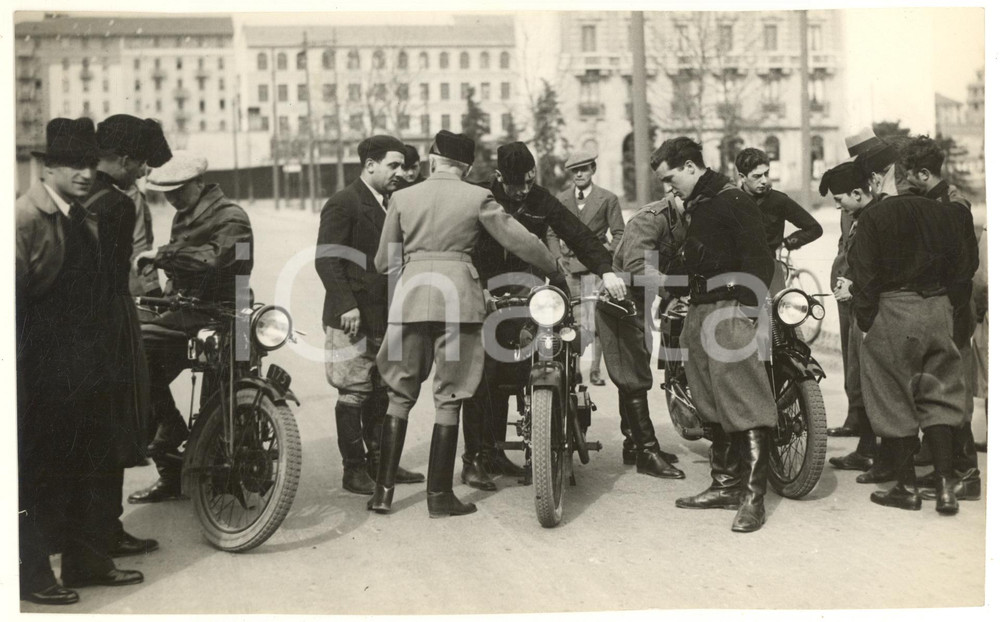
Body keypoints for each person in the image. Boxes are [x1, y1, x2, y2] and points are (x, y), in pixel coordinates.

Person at [368, 130, 563, 517]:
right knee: (450, 396)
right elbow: (519, 240)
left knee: (399, 394)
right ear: (467, 167)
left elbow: (381, 263)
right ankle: (439, 496)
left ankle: (383, 493)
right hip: (458, 299)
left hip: (411, 298)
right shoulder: (477, 197)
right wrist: (553, 270)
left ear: (431, 160)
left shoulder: (403, 198)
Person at [17, 118, 144, 605]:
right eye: (71, 164)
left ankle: (87, 560)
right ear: (48, 168)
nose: (85, 173)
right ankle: (30, 577)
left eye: (90, 163)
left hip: (83, 366)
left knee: (87, 465)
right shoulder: (26, 218)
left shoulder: (81, 215)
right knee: (39, 473)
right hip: (41, 372)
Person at [459, 142, 626, 491]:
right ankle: (476, 457)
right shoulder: (479, 198)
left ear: (533, 174)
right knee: (482, 375)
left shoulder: (540, 199)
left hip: (528, 291)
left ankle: (544, 426)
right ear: (499, 177)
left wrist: (606, 270)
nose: (520, 193)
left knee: (534, 356)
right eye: (512, 185)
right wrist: (479, 288)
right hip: (485, 291)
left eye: (526, 183)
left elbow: (578, 235)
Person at [654, 137, 777, 533]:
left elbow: (760, 257)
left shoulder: (731, 200)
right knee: (710, 402)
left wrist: (748, 308)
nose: (669, 188)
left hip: (728, 310)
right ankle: (725, 484)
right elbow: (693, 260)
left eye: (672, 178)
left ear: (691, 166)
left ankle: (753, 499)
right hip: (700, 311)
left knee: (745, 401)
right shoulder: (701, 205)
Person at [850, 144, 977, 514]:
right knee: (938, 395)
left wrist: (867, 319)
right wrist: (948, 309)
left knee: (893, 395)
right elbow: (963, 267)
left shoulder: (875, 216)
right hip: (938, 308)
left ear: (877, 179)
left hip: (894, 309)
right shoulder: (945, 212)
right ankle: (945, 486)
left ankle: (905, 487)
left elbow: (865, 276)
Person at [127, 152, 254, 503]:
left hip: (229, 313)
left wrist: (162, 255)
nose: (172, 199)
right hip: (191, 313)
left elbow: (218, 260)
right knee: (135, 360)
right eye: (166, 193)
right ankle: (172, 463)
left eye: (178, 191)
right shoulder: (186, 214)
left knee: (226, 394)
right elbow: (182, 275)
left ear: (199, 184)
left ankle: (215, 459)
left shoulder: (231, 216)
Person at [315, 135, 425, 496]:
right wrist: (346, 304)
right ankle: (354, 469)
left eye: (402, 166)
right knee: (353, 392)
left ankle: (381, 462)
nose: (400, 173)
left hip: (385, 315)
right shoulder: (344, 203)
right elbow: (327, 259)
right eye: (392, 166)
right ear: (370, 165)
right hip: (352, 316)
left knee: (381, 390)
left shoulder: (391, 203)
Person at [86, 114, 173, 557]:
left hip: (88, 324)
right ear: (122, 159)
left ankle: (95, 530)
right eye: (140, 163)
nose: (143, 172)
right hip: (110, 323)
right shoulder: (116, 203)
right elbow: (124, 273)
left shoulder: (85, 193)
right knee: (114, 426)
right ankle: (103, 533)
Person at [899, 135, 982, 501]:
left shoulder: (954, 205)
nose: (905, 182)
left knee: (954, 390)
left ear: (923, 173)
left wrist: (952, 308)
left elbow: (966, 266)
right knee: (937, 386)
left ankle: (966, 474)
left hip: (954, 310)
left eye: (909, 175)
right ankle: (942, 463)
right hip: (941, 308)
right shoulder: (934, 201)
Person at [594, 186, 686, 481]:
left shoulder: (683, 217)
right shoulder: (652, 218)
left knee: (634, 368)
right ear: (676, 193)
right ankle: (647, 451)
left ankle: (633, 444)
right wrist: (674, 289)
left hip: (640, 299)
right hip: (619, 301)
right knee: (634, 376)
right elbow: (635, 265)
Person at [820, 161, 882, 480]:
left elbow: (881, 267)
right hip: (859, 304)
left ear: (858, 192)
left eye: (839, 198)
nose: (837, 205)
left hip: (871, 311)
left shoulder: (874, 218)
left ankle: (872, 453)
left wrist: (853, 285)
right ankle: (868, 447)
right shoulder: (861, 215)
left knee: (871, 378)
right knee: (861, 374)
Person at [553, 150, 625, 387]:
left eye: (584, 169)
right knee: (570, 321)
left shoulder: (608, 198)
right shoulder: (561, 199)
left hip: (596, 269)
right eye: (575, 171)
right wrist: (556, 258)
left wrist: (606, 258)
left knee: (597, 322)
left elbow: (619, 233)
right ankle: (574, 368)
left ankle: (595, 369)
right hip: (569, 267)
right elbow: (550, 231)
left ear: (593, 170)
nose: (579, 174)